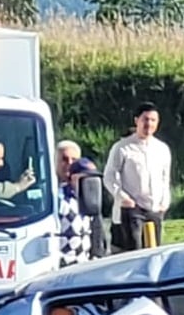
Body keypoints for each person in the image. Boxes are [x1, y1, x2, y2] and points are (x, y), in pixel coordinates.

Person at [105, 102, 172, 252]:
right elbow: (109, 177)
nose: (149, 124)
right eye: (145, 119)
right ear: (137, 121)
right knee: (135, 250)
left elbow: (165, 178)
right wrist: (123, 198)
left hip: (154, 209)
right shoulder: (122, 147)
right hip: (132, 209)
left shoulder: (162, 149)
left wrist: (164, 202)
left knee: (154, 251)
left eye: (153, 120)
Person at [57, 154, 108, 267]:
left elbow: (97, 231)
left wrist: (97, 255)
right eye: (85, 177)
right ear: (73, 177)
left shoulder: (92, 200)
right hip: (62, 262)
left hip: (83, 262)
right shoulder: (59, 198)